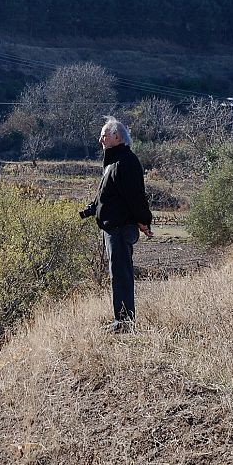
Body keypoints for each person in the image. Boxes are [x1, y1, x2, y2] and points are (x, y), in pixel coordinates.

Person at [80, 116, 153, 332]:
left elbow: (135, 196)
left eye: (103, 135)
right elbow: (106, 195)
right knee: (118, 274)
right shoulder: (113, 162)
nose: (100, 140)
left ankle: (124, 323)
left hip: (120, 228)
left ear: (116, 136)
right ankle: (121, 320)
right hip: (113, 227)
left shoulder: (125, 161)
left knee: (121, 275)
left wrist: (143, 221)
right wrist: (90, 210)